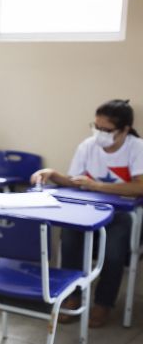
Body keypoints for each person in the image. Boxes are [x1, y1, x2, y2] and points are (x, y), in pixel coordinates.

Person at [31, 99, 143, 328]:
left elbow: (139, 186)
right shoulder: (87, 146)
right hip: (88, 211)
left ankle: (103, 303)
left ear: (125, 130)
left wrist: (99, 186)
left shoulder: (136, 147)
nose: (99, 134)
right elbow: (76, 182)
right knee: (69, 240)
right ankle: (74, 297)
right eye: (96, 127)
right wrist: (51, 173)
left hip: (121, 215)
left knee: (113, 250)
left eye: (106, 130)